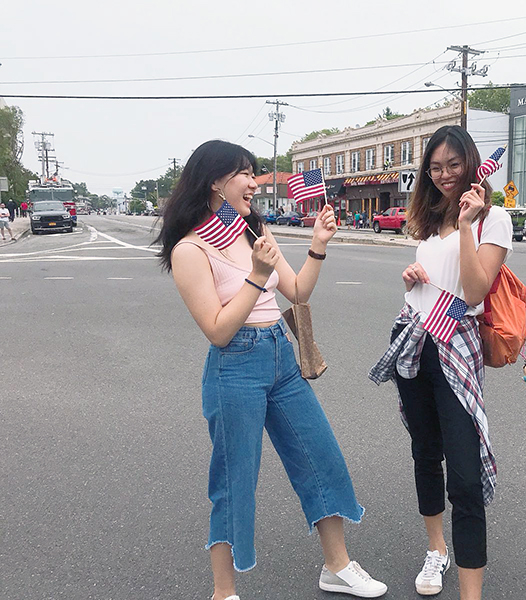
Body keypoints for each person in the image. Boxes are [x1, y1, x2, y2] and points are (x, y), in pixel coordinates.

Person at [155, 140, 387, 600]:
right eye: (244, 173)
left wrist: (318, 246)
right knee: (234, 479)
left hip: (281, 355)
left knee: (320, 456)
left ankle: (337, 566)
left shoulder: (250, 229)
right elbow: (218, 330)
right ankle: (225, 592)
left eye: (254, 172)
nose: (254, 182)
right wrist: (257, 275)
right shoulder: (189, 250)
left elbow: (297, 291)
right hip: (236, 365)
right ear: (214, 181)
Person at [369, 125, 513, 600]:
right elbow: (432, 281)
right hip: (416, 339)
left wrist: (469, 224)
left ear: (471, 165)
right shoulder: (428, 219)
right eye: (436, 167)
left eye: (454, 165)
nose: (445, 175)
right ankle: (437, 548)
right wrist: (413, 278)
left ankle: (470, 593)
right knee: (425, 454)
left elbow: (474, 291)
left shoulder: (494, 220)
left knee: (466, 478)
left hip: (459, 346)